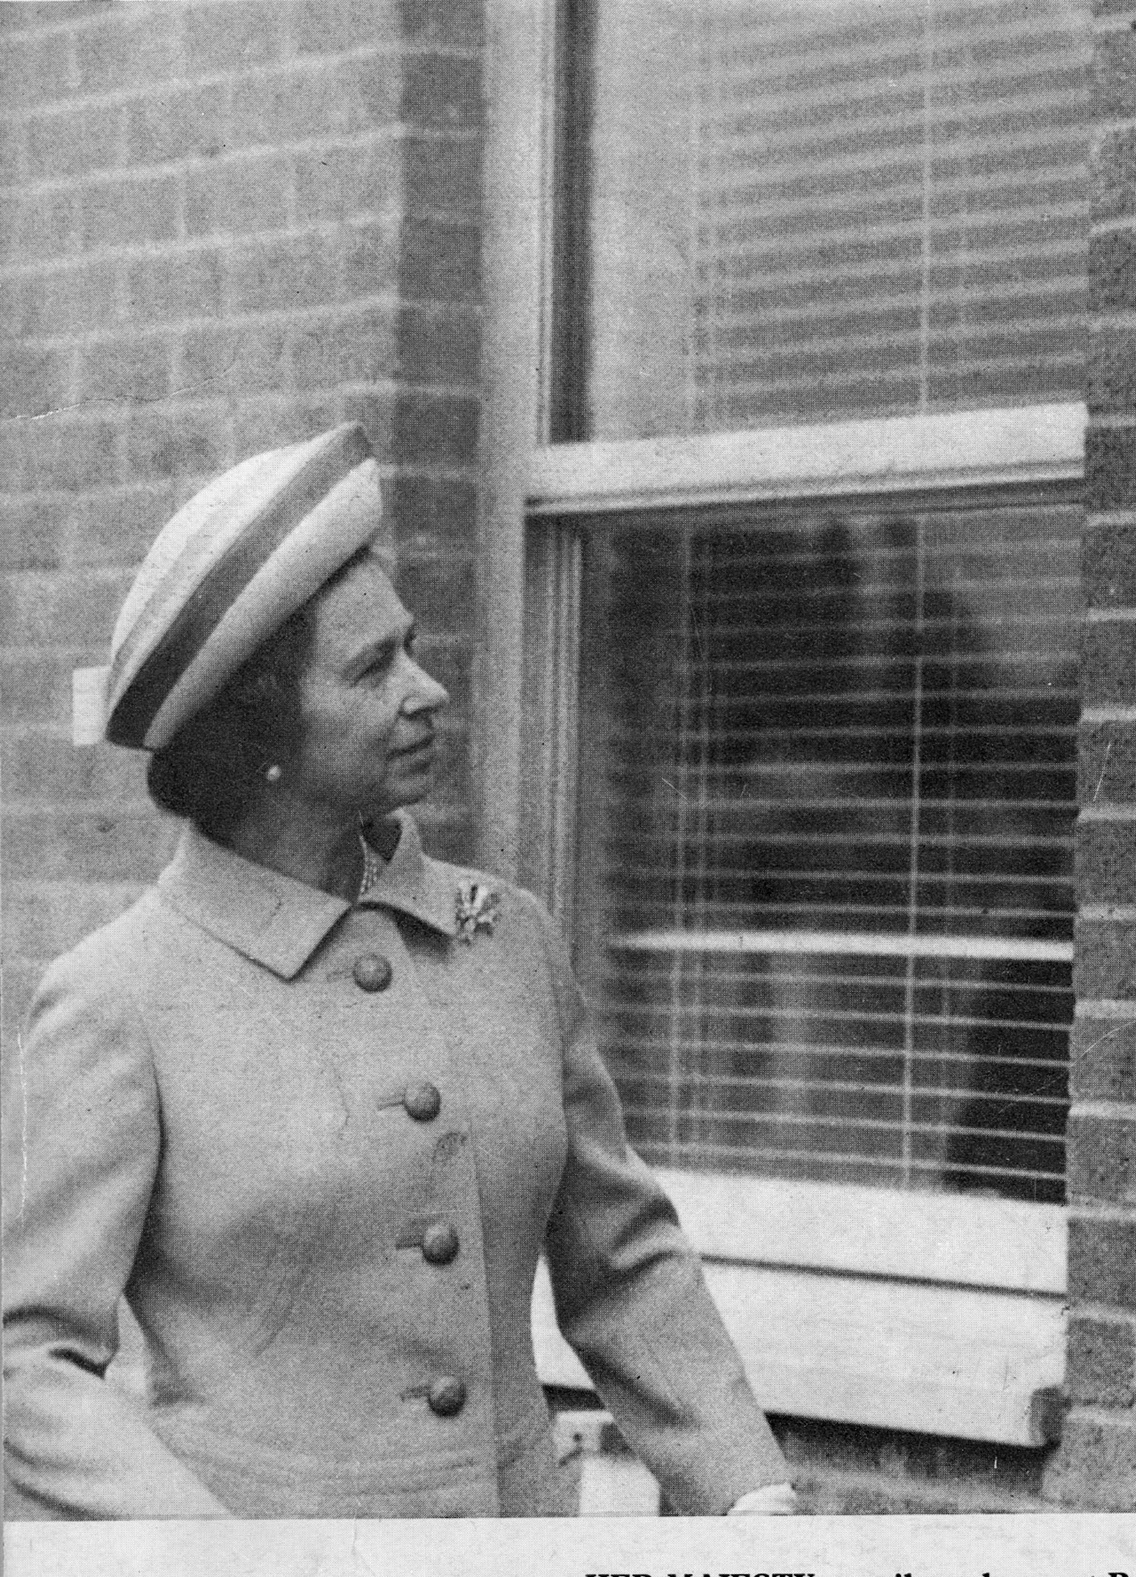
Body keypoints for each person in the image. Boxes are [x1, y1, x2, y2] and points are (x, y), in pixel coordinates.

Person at [2, 423, 795, 1519]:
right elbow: (31, 1367)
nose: (428, 690)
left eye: (411, 648)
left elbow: (623, 1262)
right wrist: (215, 1567)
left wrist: (745, 1491)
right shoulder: (119, 995)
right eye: (375, 668)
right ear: (260, 728)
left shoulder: (503, 941)